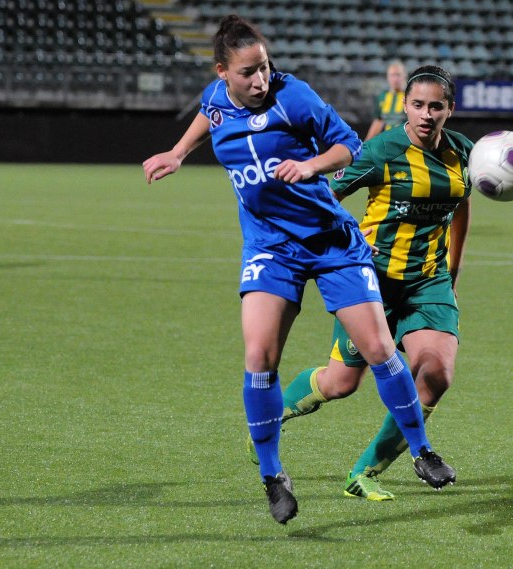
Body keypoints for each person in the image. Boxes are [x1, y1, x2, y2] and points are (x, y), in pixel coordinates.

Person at [142, 17, 454, 524]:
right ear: (224, 72)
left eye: (265, 67)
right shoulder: (218, 96)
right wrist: (178, 153)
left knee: (378, 349)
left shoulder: (295, 96)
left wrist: (311, 167)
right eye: (248, 72)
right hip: (271, 247)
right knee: (259, 355)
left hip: (331, 241)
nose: (261, 79)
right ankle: (272, 475)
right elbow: (208, 112)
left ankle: (421, 451)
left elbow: (348, 145)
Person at [249, 65, 471, 501]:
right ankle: (268, 421)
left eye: (436, 106)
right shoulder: (380, 150)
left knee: (437, 373)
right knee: (340, 384)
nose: (427, 114)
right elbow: (324, 195)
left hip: (430, 282)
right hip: (373, 285)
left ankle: (364, 472)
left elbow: (461, 206)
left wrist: (454, 272)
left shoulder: (463, 151)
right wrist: (347, 237)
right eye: (418, 105)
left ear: (450, 109)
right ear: (405, 106)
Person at [364, 60, 408, 141]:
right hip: (388, 142)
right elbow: (378, 121)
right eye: (392, 75)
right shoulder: (382, 96)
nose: (395, 79)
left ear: (404, 76)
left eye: (398, 75)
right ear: (387, 77)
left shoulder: (410, 96)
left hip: (405, 142)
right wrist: (366, 144)